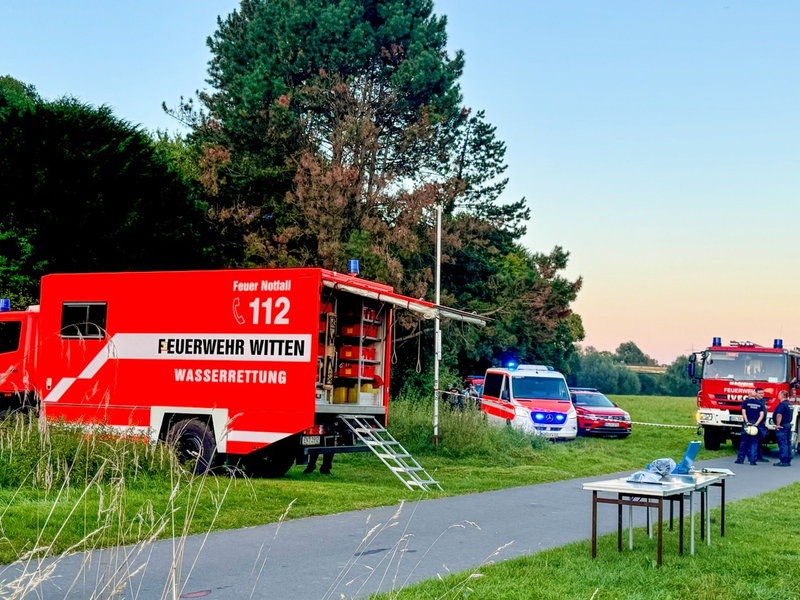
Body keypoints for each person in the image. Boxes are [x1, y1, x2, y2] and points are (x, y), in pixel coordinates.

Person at [735, 391, 765, 465]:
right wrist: (756, 424)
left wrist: (747, 421)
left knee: (744, 442)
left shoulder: (745, 403)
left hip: (747, 425)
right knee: (754, 443)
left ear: (749, 395)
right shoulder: (760, 404)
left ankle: (740, 459)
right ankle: (753, 460)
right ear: (755, 396)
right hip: (755, 425)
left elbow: (744, 413)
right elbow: (762, 415)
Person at [773, 390, 793, 467]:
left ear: (782, 395)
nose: (778, 396)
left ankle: (783, 461)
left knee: (783, 443)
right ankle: (788, 459)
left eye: (779, 394)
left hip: (782, 425)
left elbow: (779, 415)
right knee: (787, 443)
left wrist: (778, 425)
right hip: (788, 424)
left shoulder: (782, 404)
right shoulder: (789, 404)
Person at [755, 388, 770, 463]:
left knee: (760, 440)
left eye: (762, 393)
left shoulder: (763, 401)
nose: (761, 395)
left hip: (762, 423)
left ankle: (759, 456)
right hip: (756, 423)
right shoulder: (754, 402)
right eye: (760, 393)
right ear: (756, 393)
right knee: (754, 440)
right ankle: (753, 456)